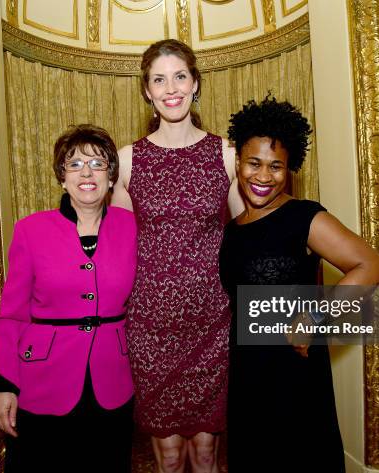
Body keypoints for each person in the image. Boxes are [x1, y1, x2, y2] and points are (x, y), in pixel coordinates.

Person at [219, 95, 379, 472]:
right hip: (248, 373)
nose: (264, 177)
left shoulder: (304, 217)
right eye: (254, 163)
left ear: (290, 167)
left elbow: (371, 265)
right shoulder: (232, 230)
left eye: (276, 166)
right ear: (238, 163)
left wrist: (316, 316)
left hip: (294, 375)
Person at [111, 39, 241, 473]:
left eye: (180, 76)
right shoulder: (127, 161)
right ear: (146, 91)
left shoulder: (225, 155)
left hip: (212, 323)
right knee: (166, 457)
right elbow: (117, 246)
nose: (171, 88)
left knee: (206, 455)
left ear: (196, 83)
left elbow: (249, 239)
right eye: (159, 79)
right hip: (150, 326)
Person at [0, 124, 137, 472]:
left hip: (113, 380)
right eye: (75, 164)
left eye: (98, 164)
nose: (87, 172)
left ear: (111, 177)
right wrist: (4, 384)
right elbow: (10, 315)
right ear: (61, 177)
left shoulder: (133, 227)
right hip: (43, 381)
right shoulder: (30, 230)